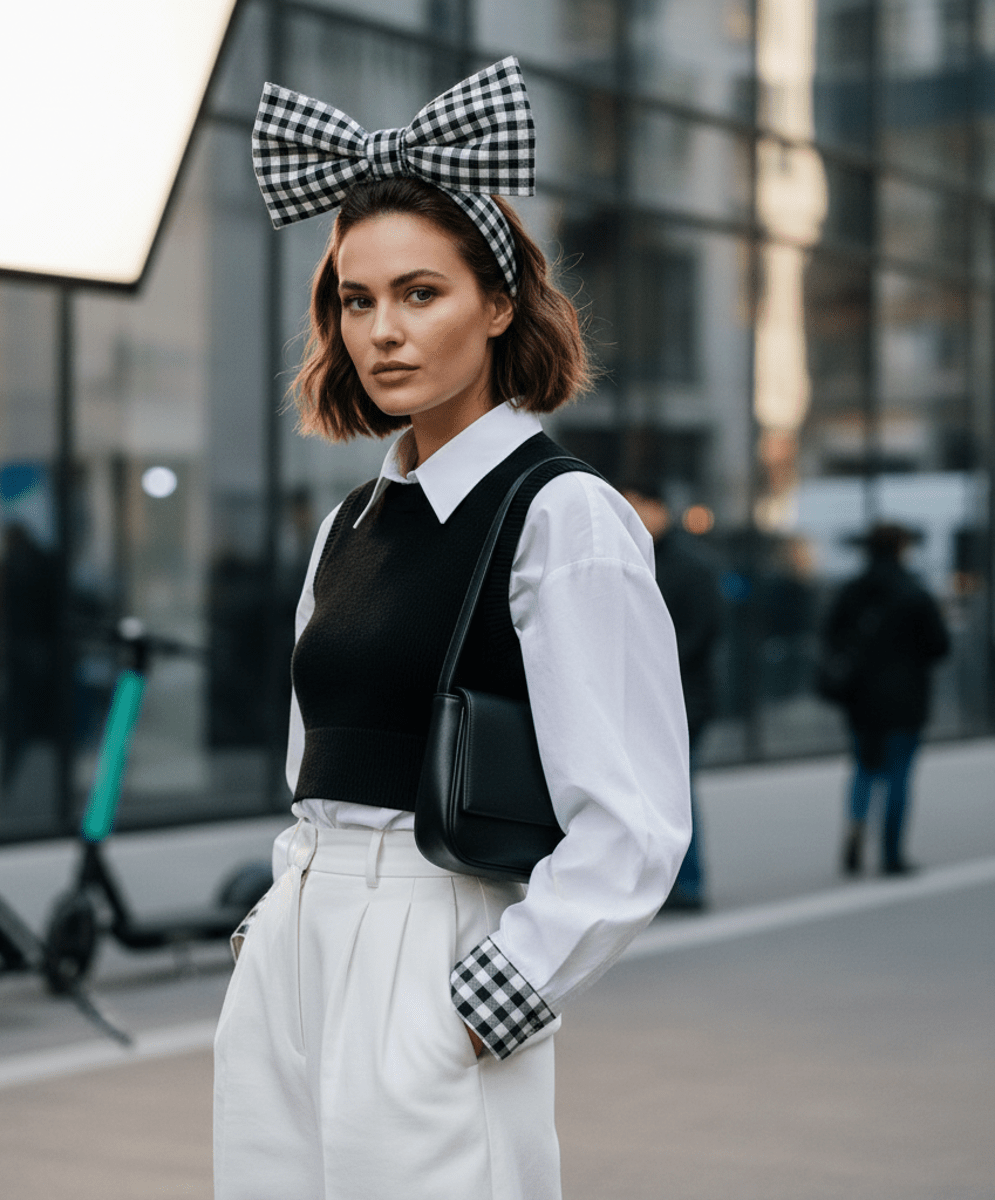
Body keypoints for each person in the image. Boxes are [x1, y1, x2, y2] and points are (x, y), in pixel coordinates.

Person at [213, 60, 690, 1200]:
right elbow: (313, 774)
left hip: (433, 953)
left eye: (420, 294)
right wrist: (279, 927)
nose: (383, 331)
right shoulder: (350, 523)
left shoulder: (560, 514)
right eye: (356, 300)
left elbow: (633, 824)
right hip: (293, 958)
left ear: (499, 303)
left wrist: (486, 1004)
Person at [820, 523, 950, 877]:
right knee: (898, 775)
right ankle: (892, 854)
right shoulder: (915, 593)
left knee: (864, 768)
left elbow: (830, 636)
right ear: (900, 550)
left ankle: (856, 824)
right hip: (905, 700)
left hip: (861, 698)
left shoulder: (852, 591)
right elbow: (939, 645)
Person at [622, 480, 722, 910]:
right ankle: (663, 885)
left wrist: (650, 667)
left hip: (683, 700)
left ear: (659, 508)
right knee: (650, 794)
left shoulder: (690, 565)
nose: (628, 515)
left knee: (673, 792)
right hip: (639, 698)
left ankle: (689, 883)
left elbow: (701, 632)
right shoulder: (625, 556)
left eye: (635, 506)